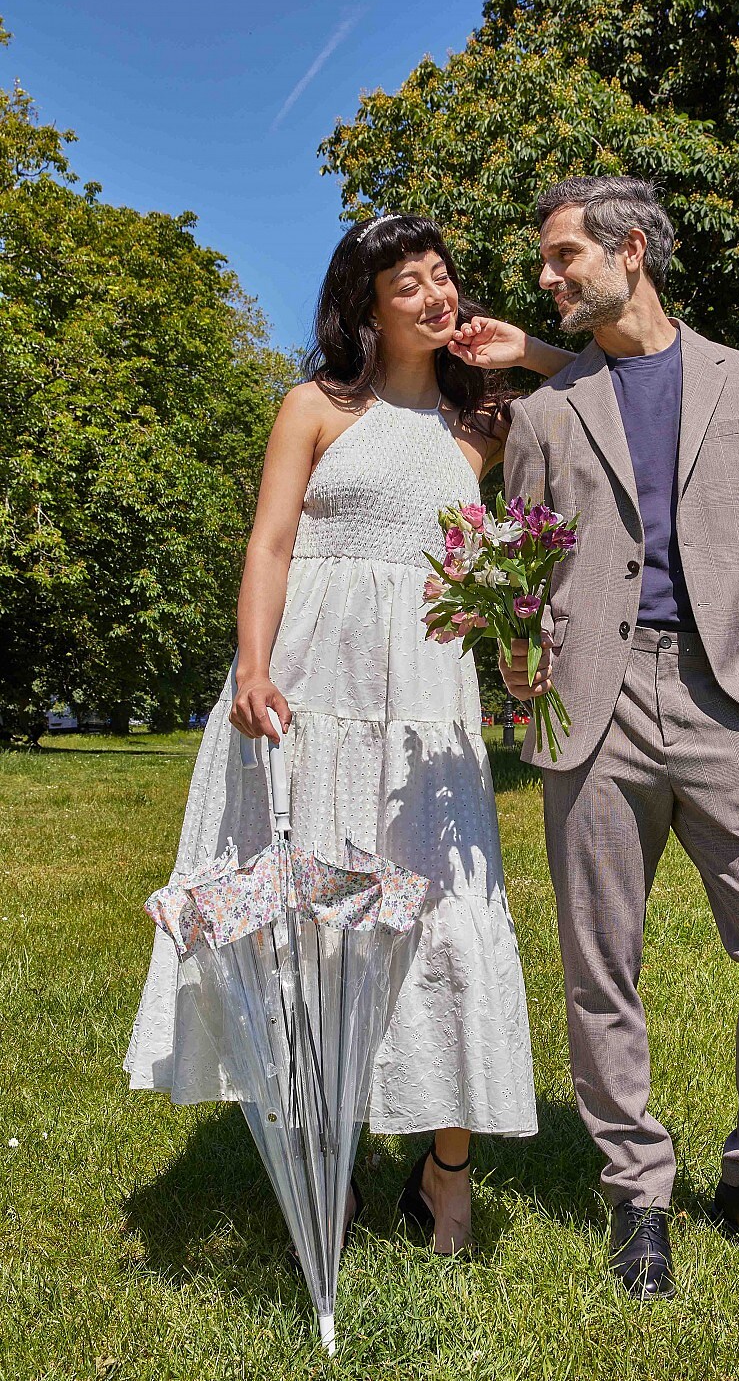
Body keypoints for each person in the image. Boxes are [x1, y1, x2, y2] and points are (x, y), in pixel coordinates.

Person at [124, 214, 569, 1256]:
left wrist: (528, 350)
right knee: (310, 920)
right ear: (365, 307)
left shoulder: (484, 424)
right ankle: (327, 1159)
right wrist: (253, 667)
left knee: (445, 913)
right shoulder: (316, 406)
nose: (434, 294)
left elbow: (609, 388)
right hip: (311, 687)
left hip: (424, 697)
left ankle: (445, 1172)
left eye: (442, 275)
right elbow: (272, 543)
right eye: (407, 282)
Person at [499, 176, 739, 1297]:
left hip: (726, 696)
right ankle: (638, 1194)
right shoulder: (546, 412)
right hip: (589, 707)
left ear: (628, 250)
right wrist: (519, 652)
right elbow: (520, 562)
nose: (546, 275)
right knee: (602, 965)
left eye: (562, 255)